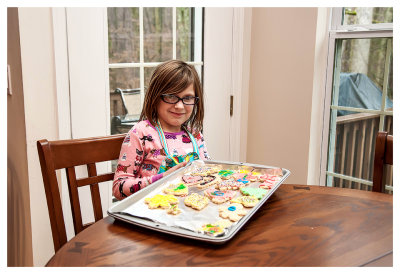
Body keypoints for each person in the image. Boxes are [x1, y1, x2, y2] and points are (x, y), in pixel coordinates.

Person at [112, 60, 210, 200]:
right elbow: (119, 188)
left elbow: (207, 172)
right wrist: (163, 178)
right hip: (151, 213)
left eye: (187, 98)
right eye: (171, 96)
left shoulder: (195, 134)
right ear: (155, 97)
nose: (179, 106)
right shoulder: (140, 133)